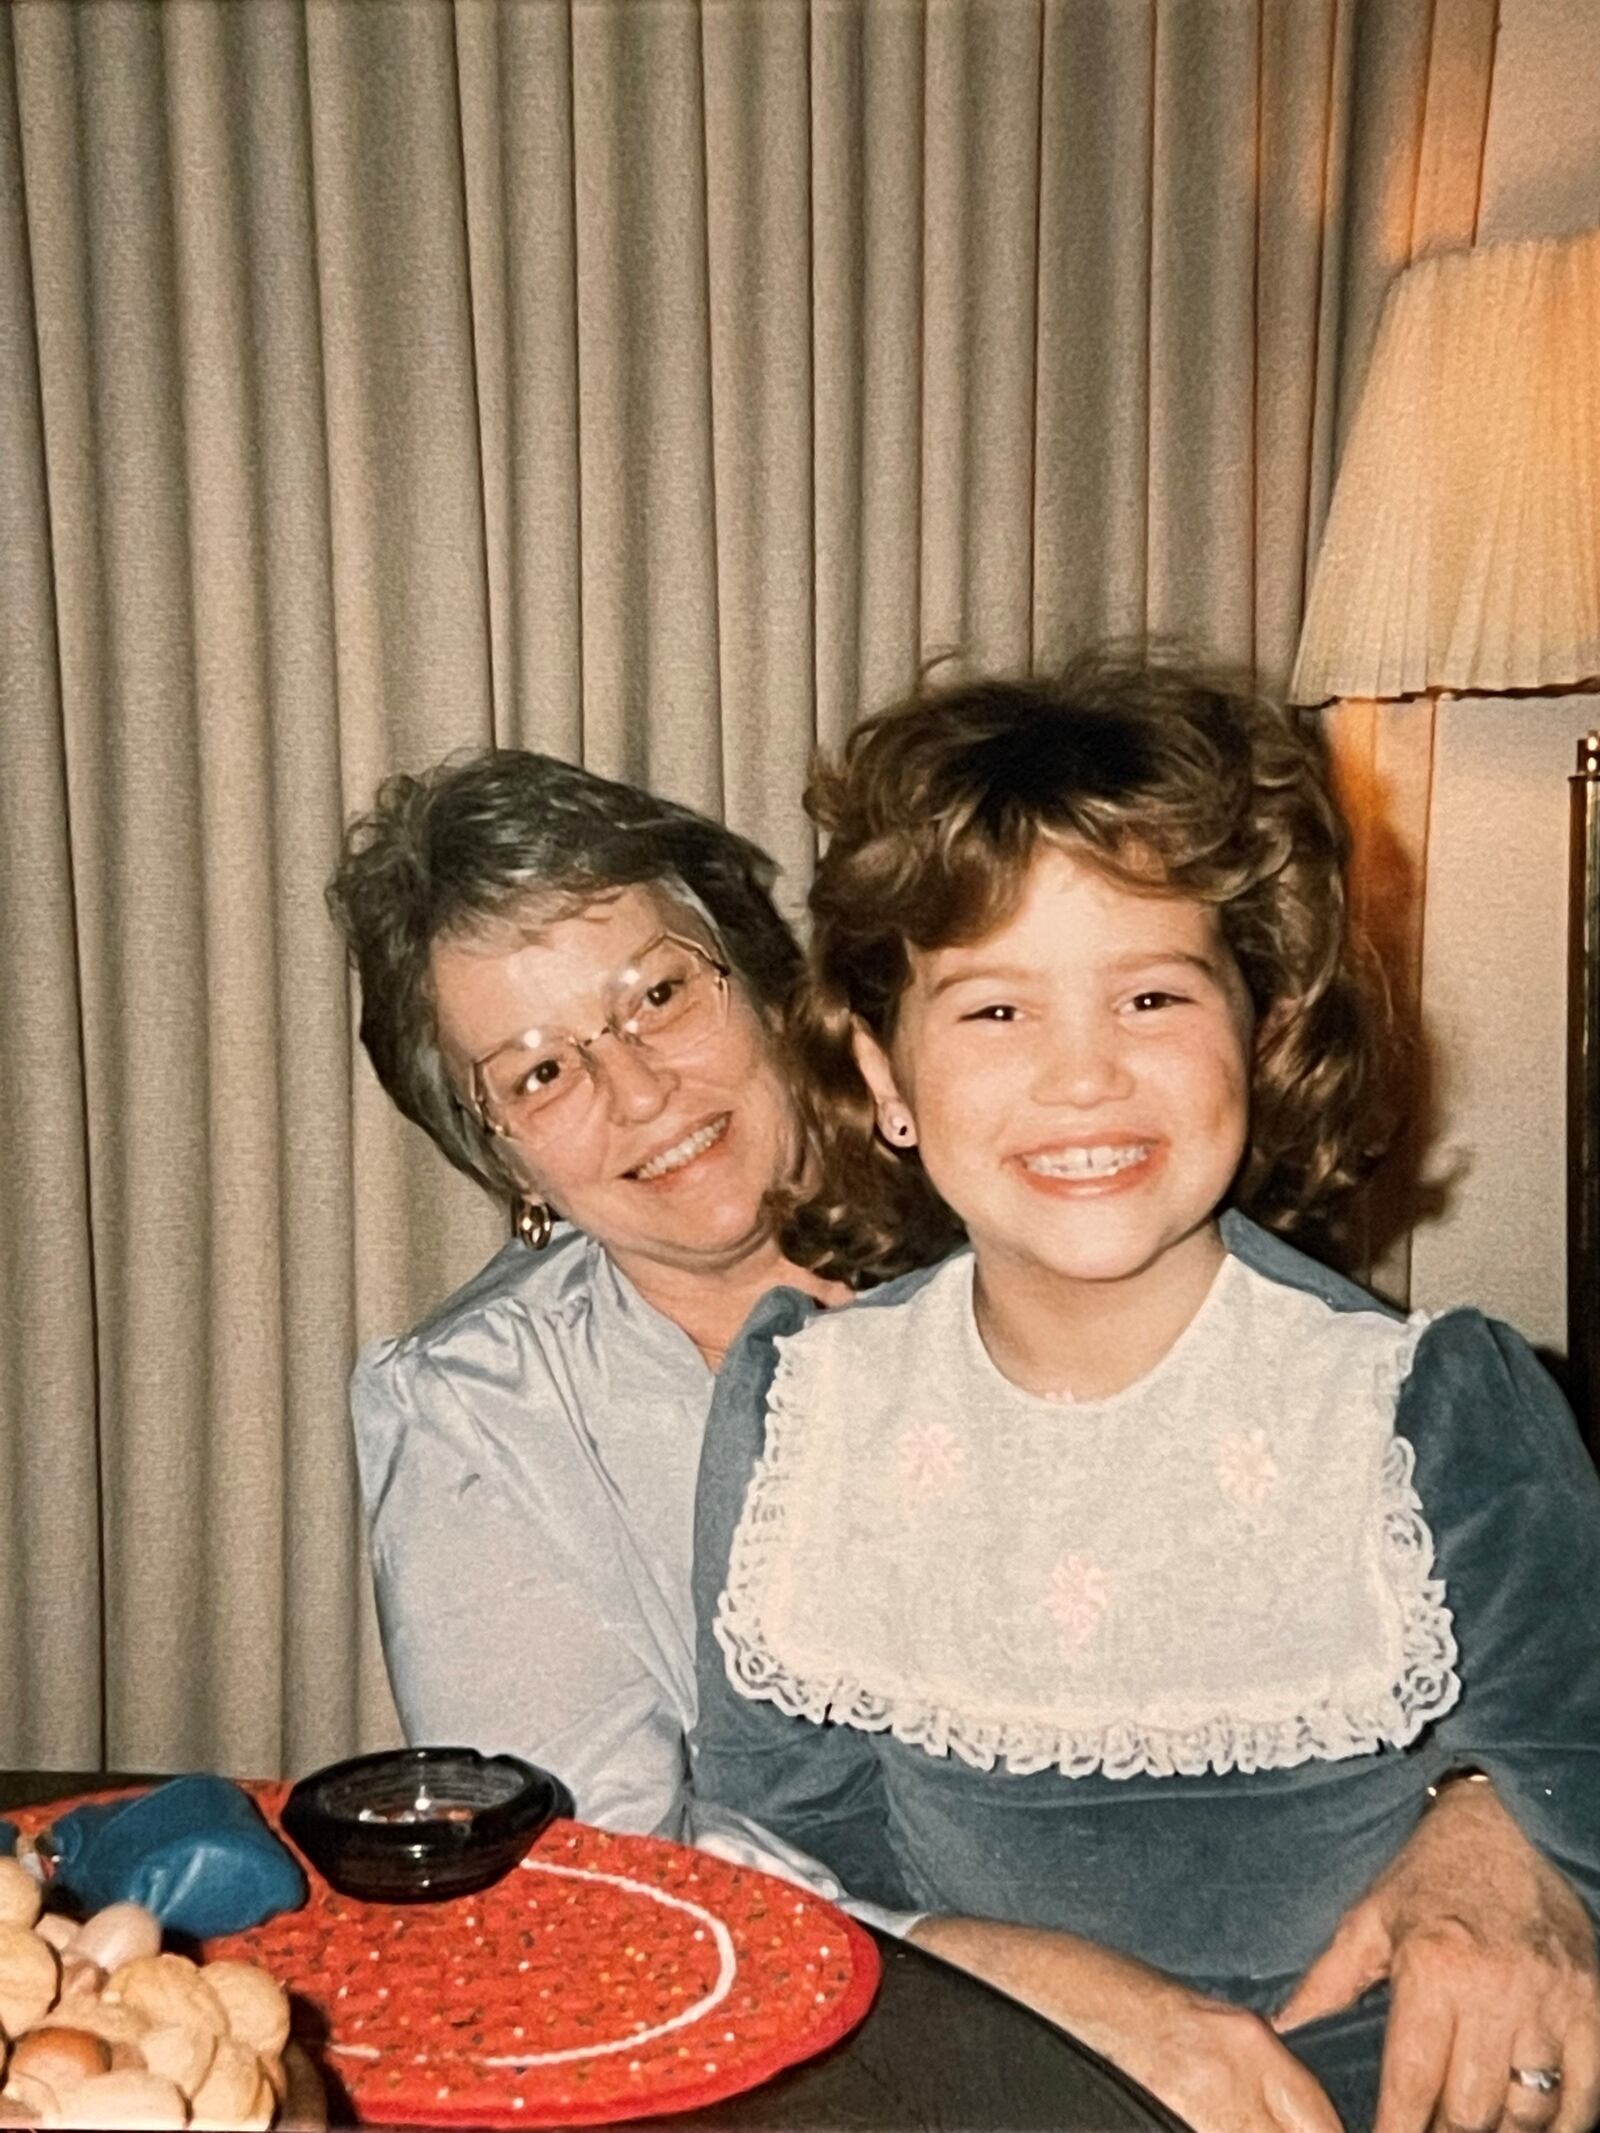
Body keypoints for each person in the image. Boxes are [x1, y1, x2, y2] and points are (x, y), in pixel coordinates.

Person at [689, 656, 1600, 2133]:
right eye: (993, 1012)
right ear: (883, 1070)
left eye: (1155, 992)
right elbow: (775, 1857)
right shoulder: (805, 1412)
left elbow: (1579, 1809)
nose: (1085, 1076)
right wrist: (1023, 1987)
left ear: (1265, 1026)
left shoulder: (1433, 1409)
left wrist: (1512, 1839)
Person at [325, 750, 866, 1835]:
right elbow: (611, 1874)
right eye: (540, 1073)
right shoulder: (478, 1412)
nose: (639, 1090)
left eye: (658, 995)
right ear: (507, 1164)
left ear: (759, 980)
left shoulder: (1015, 1229)